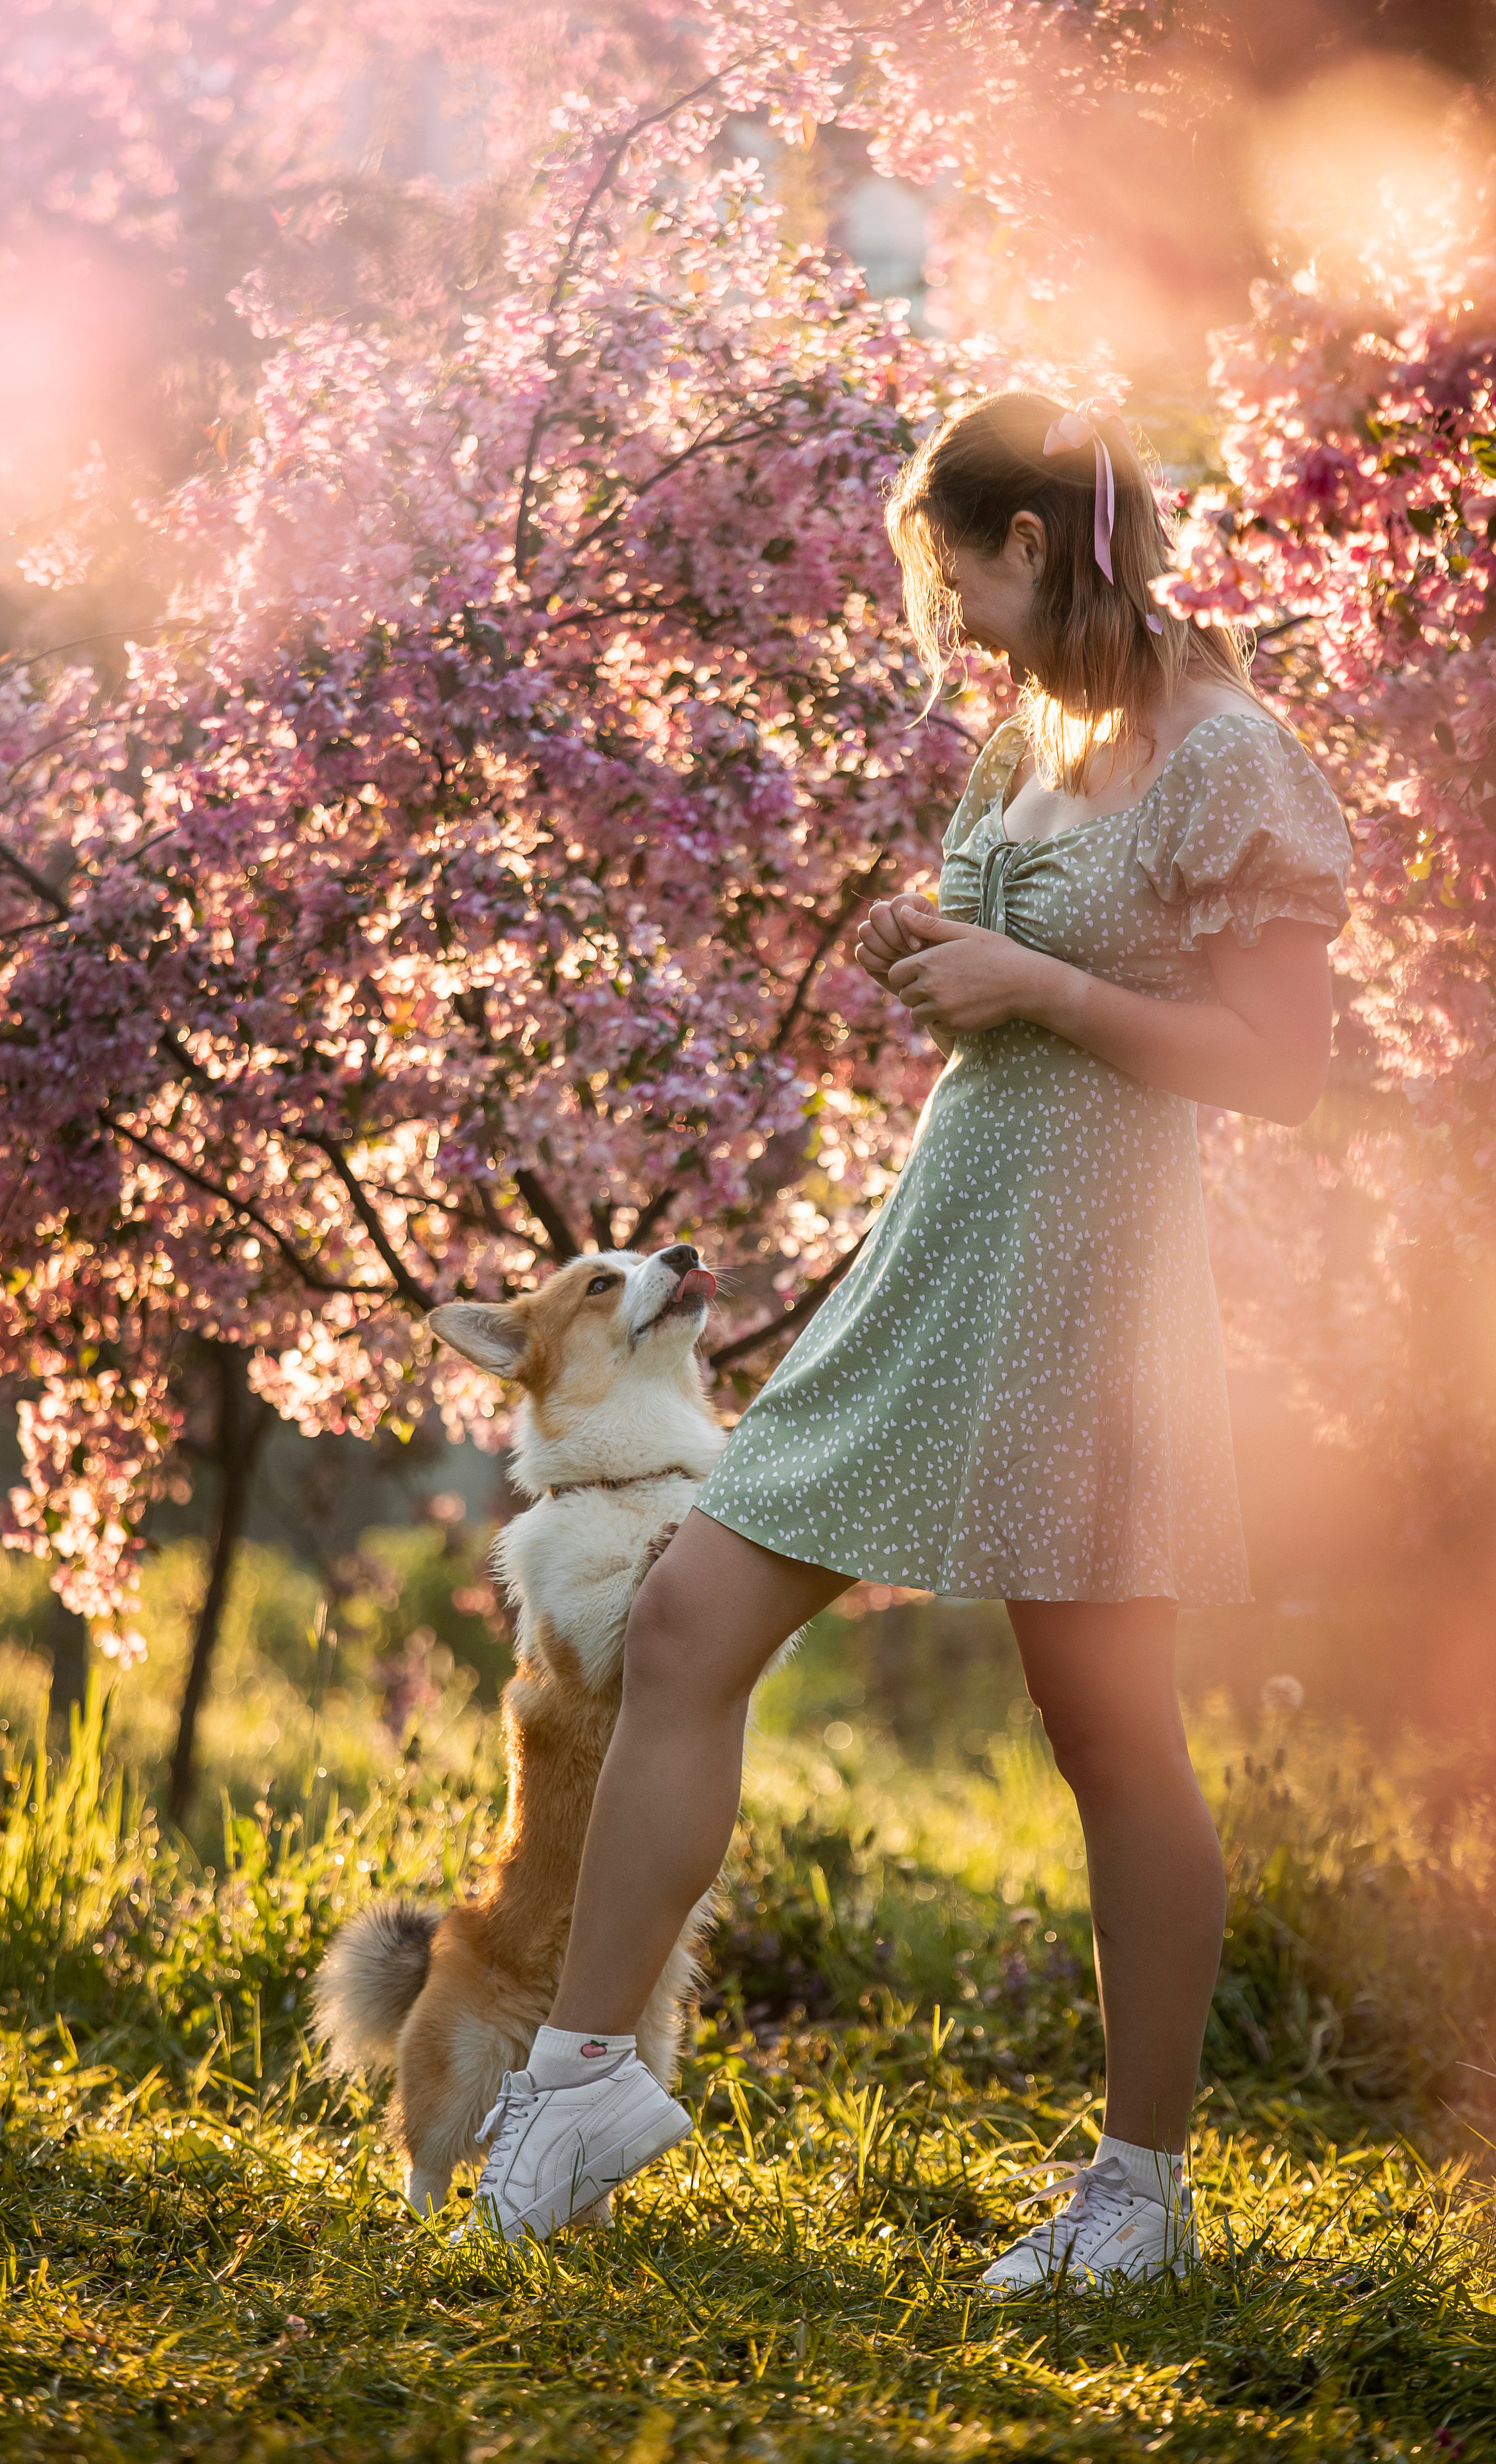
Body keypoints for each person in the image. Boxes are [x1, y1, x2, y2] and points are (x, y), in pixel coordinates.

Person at [460, 390, 1352, 2288]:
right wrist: (938, 947)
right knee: (693, 1615)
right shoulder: (1040, 735)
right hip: (946, 1234)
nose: (947, 622)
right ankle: (582, 2074)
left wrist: (1031, 976)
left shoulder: (1232, 758)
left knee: (1110, 1736)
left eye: (954, 576)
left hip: (1094, 1281)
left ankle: (1140, 2198)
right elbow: (1013, 974)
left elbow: (1283, 1071)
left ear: (1029, 544)